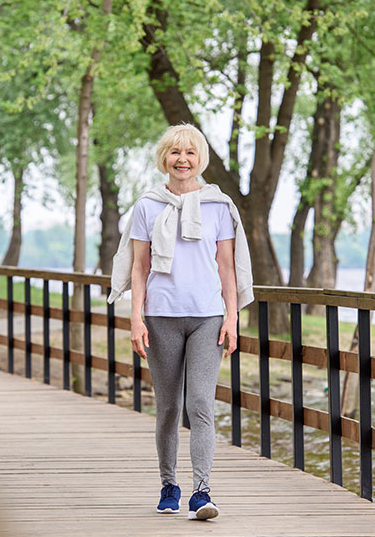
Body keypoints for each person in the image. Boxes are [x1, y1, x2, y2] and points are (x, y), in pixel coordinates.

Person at [108, 123, 253, 521]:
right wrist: (135, 318)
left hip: (208, 316)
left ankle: (202, 492)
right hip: (160, 316)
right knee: (169, 407)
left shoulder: (219, 206)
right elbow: (139, 267)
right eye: (175, 152)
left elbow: (227, 267)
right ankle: (168, 485)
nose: (182, 160)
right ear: (164, 158)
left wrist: (232, 317)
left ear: (200, 158)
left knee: (202, 404)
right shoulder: (147, 206)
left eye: (190, 153)